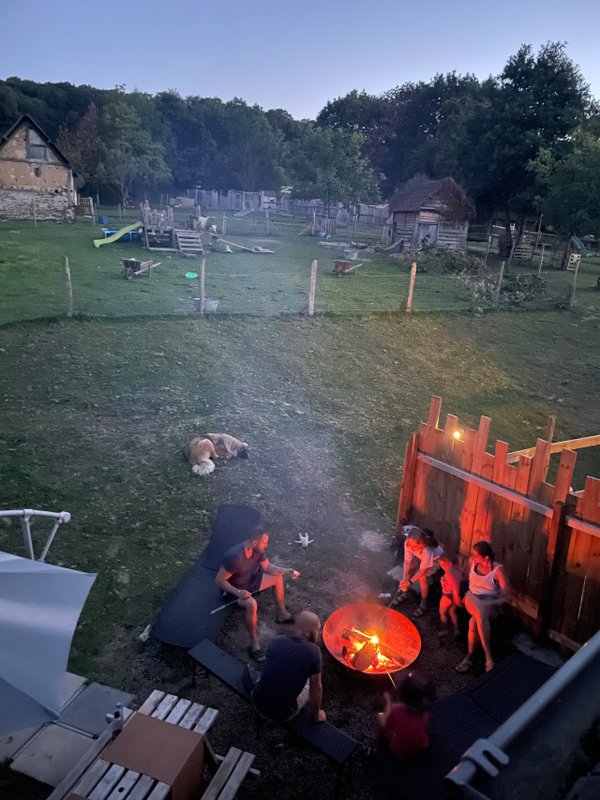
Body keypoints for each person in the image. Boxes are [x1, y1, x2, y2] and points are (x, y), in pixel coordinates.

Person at [215, 527, 300, 662]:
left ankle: (282, 614)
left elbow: (267, 568)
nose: (266, 545)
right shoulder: (234, 557)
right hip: (234, 590)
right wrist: (238, 592)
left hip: (250, 581)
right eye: (264, 542)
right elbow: (219, 580)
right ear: (254, 542)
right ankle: (254, 644)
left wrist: (287, 570)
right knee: (252, 604)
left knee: (277, 578)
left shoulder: (258, 550)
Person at [251, 610, 326, 723]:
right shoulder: (314, 652)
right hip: (283, 715)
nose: (318, 632)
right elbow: (317, 689)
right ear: (307, 633)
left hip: (256, 700)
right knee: (310, 684)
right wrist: (316, 716)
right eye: (317, 629)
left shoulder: (276, 641)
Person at [455, 541, 510, 674]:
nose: (473, 558)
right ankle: (488, 658)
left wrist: (488, 604)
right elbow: (462, 575)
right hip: (471, 598)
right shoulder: (472, 562)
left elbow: (507, 597)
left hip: (490, 605)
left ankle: (470, 657)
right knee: (480, 611)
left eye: (476, 555)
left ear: (486, 558)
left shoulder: (497, 570)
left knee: (474, 621)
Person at [376, 669, 434, 759]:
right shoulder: (424, 714)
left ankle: (381, 742)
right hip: (422, 748)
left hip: (400, 750)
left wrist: (388, 700)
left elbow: (385, 723)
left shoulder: (396, 709)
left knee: (380, 716)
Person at [393, 526, 444, 617]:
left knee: (422, 579)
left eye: (413, 546)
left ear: (421, 544)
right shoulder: (409, 544)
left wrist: (409, 582)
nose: (410, 548)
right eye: (409, 545)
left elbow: (422, 572)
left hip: (436, 560)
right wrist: (404, 578)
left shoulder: (427, 552)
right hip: (420, 554)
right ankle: (405, 594)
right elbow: (407, 562)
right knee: (410, 569)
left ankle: (423, 605)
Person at [438, 552, 466, 641]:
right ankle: (457, 630)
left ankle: (444, 630)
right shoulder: (456, 570)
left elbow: (455, 585)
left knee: (442, 612)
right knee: (452, 612)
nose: (441, 565)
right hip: (452, 597)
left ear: (447, 562)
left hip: (448, 595)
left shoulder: (449, 572)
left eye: (442, 563)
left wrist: (457, 597)